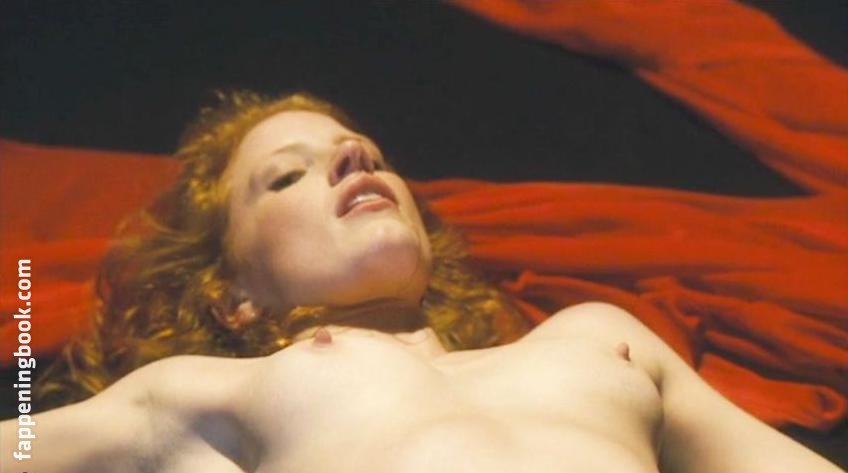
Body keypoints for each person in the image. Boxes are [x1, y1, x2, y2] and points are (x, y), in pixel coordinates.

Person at [1, 92, 842, 473]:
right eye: (286, 176)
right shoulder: (214, 391)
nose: (353, 155)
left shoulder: (600, 337)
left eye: (364, 151)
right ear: (234, 296)